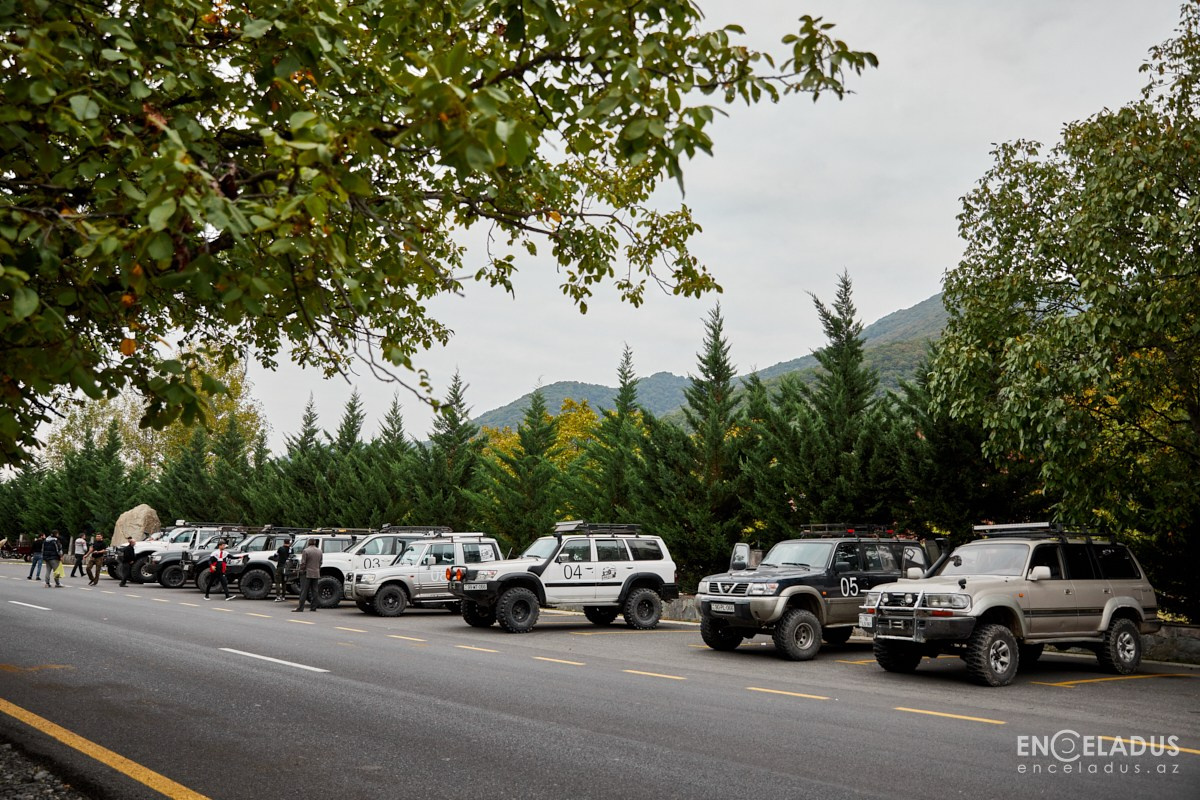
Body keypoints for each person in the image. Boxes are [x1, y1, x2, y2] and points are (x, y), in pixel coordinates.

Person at [293, 538, 322, 612]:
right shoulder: (319, 551)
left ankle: (300, 607)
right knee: (315, 591)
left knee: (304, 591)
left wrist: (301, 570)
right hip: (316, 573)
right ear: (315, 543)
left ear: (308, 543)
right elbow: (320, 562)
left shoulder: (306, 551)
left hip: (307, 573)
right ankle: (313, 607)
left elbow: (303, 563)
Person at [273, 537, 293, 602]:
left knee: (278, 582)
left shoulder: (280, 548)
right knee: (284, 582)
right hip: (287, 567)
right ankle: (283, 597)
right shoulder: (291, 549)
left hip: (280, 566)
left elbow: (275, 555)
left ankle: (278, 597)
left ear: (284, 542)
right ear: (289, 543)